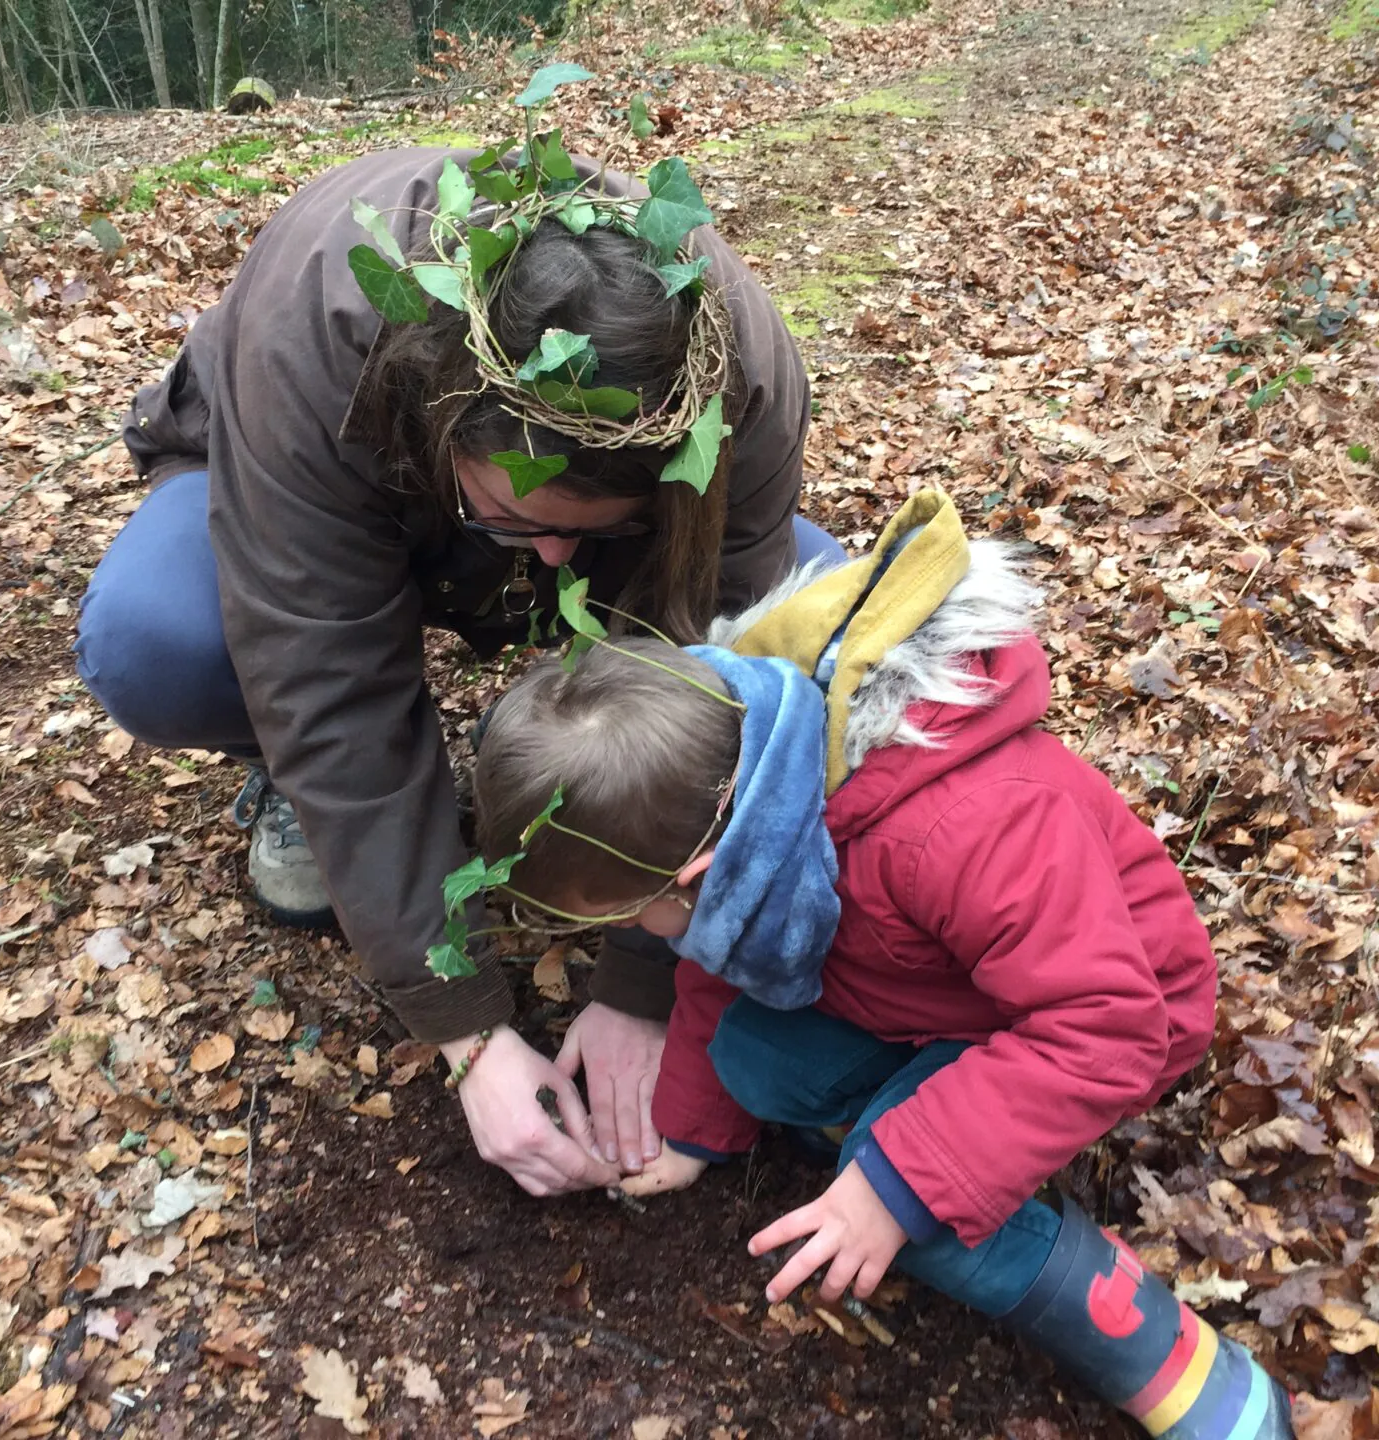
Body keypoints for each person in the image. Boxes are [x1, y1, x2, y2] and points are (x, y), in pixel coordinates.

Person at [73, 138, 846, 1198]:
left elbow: (717, 657)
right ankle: (294, 787)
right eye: (522, 519)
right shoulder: (318, 343)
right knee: (158, 640)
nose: (561, 560)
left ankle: (560, 744)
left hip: (596, 499)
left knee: (822, 613)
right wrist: (470, 1034)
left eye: (592, 530)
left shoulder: (737, 373)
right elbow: (327, 681)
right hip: (302, 457)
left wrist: (646, 977)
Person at [470, 492, 1295, 1438]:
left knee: (921, 1209)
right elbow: (709, 958)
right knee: (750, 1062)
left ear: (697, 874)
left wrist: (894, 1183)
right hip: (927, 992)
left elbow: (1105, 1022)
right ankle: (909, 1126)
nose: (638, 930)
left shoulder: (960, 827)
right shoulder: (730, 788)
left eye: (622, 912)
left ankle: (1156, 1347)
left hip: (1102, 1017)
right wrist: (690, 1130)